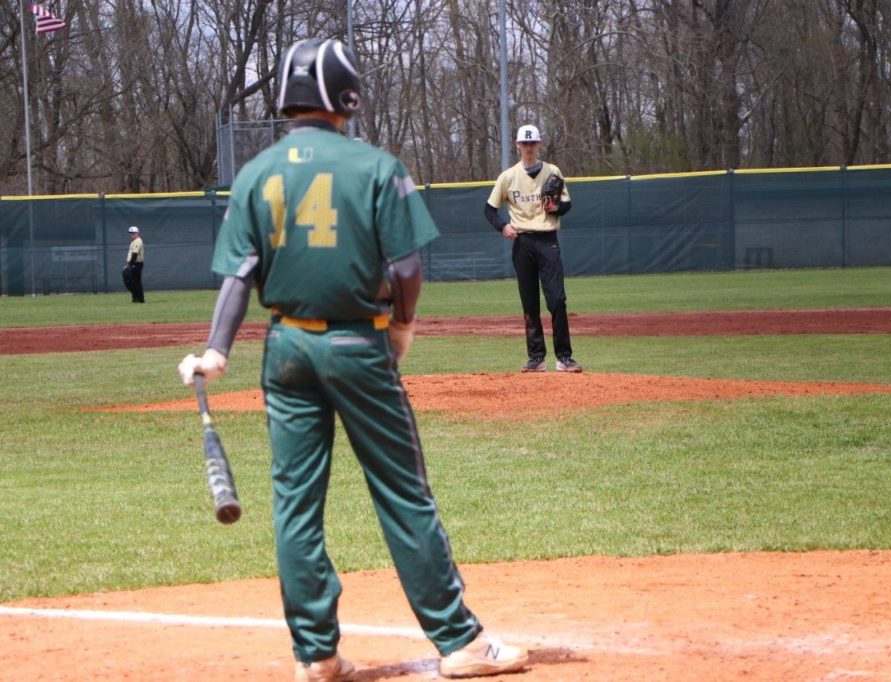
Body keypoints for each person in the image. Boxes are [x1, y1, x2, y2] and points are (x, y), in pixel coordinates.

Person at [176, 38, 528, 682]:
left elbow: (238, 274)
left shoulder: (255, 173)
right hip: (357, 346)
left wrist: (215, 351)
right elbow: (407, 268)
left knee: (295, 503)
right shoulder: (376, 167)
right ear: (347, 97)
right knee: (402, 492)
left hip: (285, 349)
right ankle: (460, 642)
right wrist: (402, 329)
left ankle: (316, 655)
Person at [484, 124, 582, 373]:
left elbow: (567, 204)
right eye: (525, 143)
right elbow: (489, 209)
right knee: (529, 302)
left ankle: (564, 357)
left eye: (532, 143)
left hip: (548, 240)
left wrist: (556, 207)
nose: (529, 147)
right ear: (518, 145)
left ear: (539, 144)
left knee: (557, 300)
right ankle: (536, 357)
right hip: (523, 243)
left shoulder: (552, 171)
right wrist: (503, 227)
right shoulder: (508, 177)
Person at [125, 225, 144, 303]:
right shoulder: (134, 241)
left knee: (136, 282)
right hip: (134, 263)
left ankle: (139, 299)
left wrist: (130, 265)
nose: (132, 234)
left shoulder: (138, 241)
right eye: (131, 233)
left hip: (136, 263)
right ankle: (136, 298)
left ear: (137, 233)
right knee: (133, 281)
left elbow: (135, 254)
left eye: (133, 233)